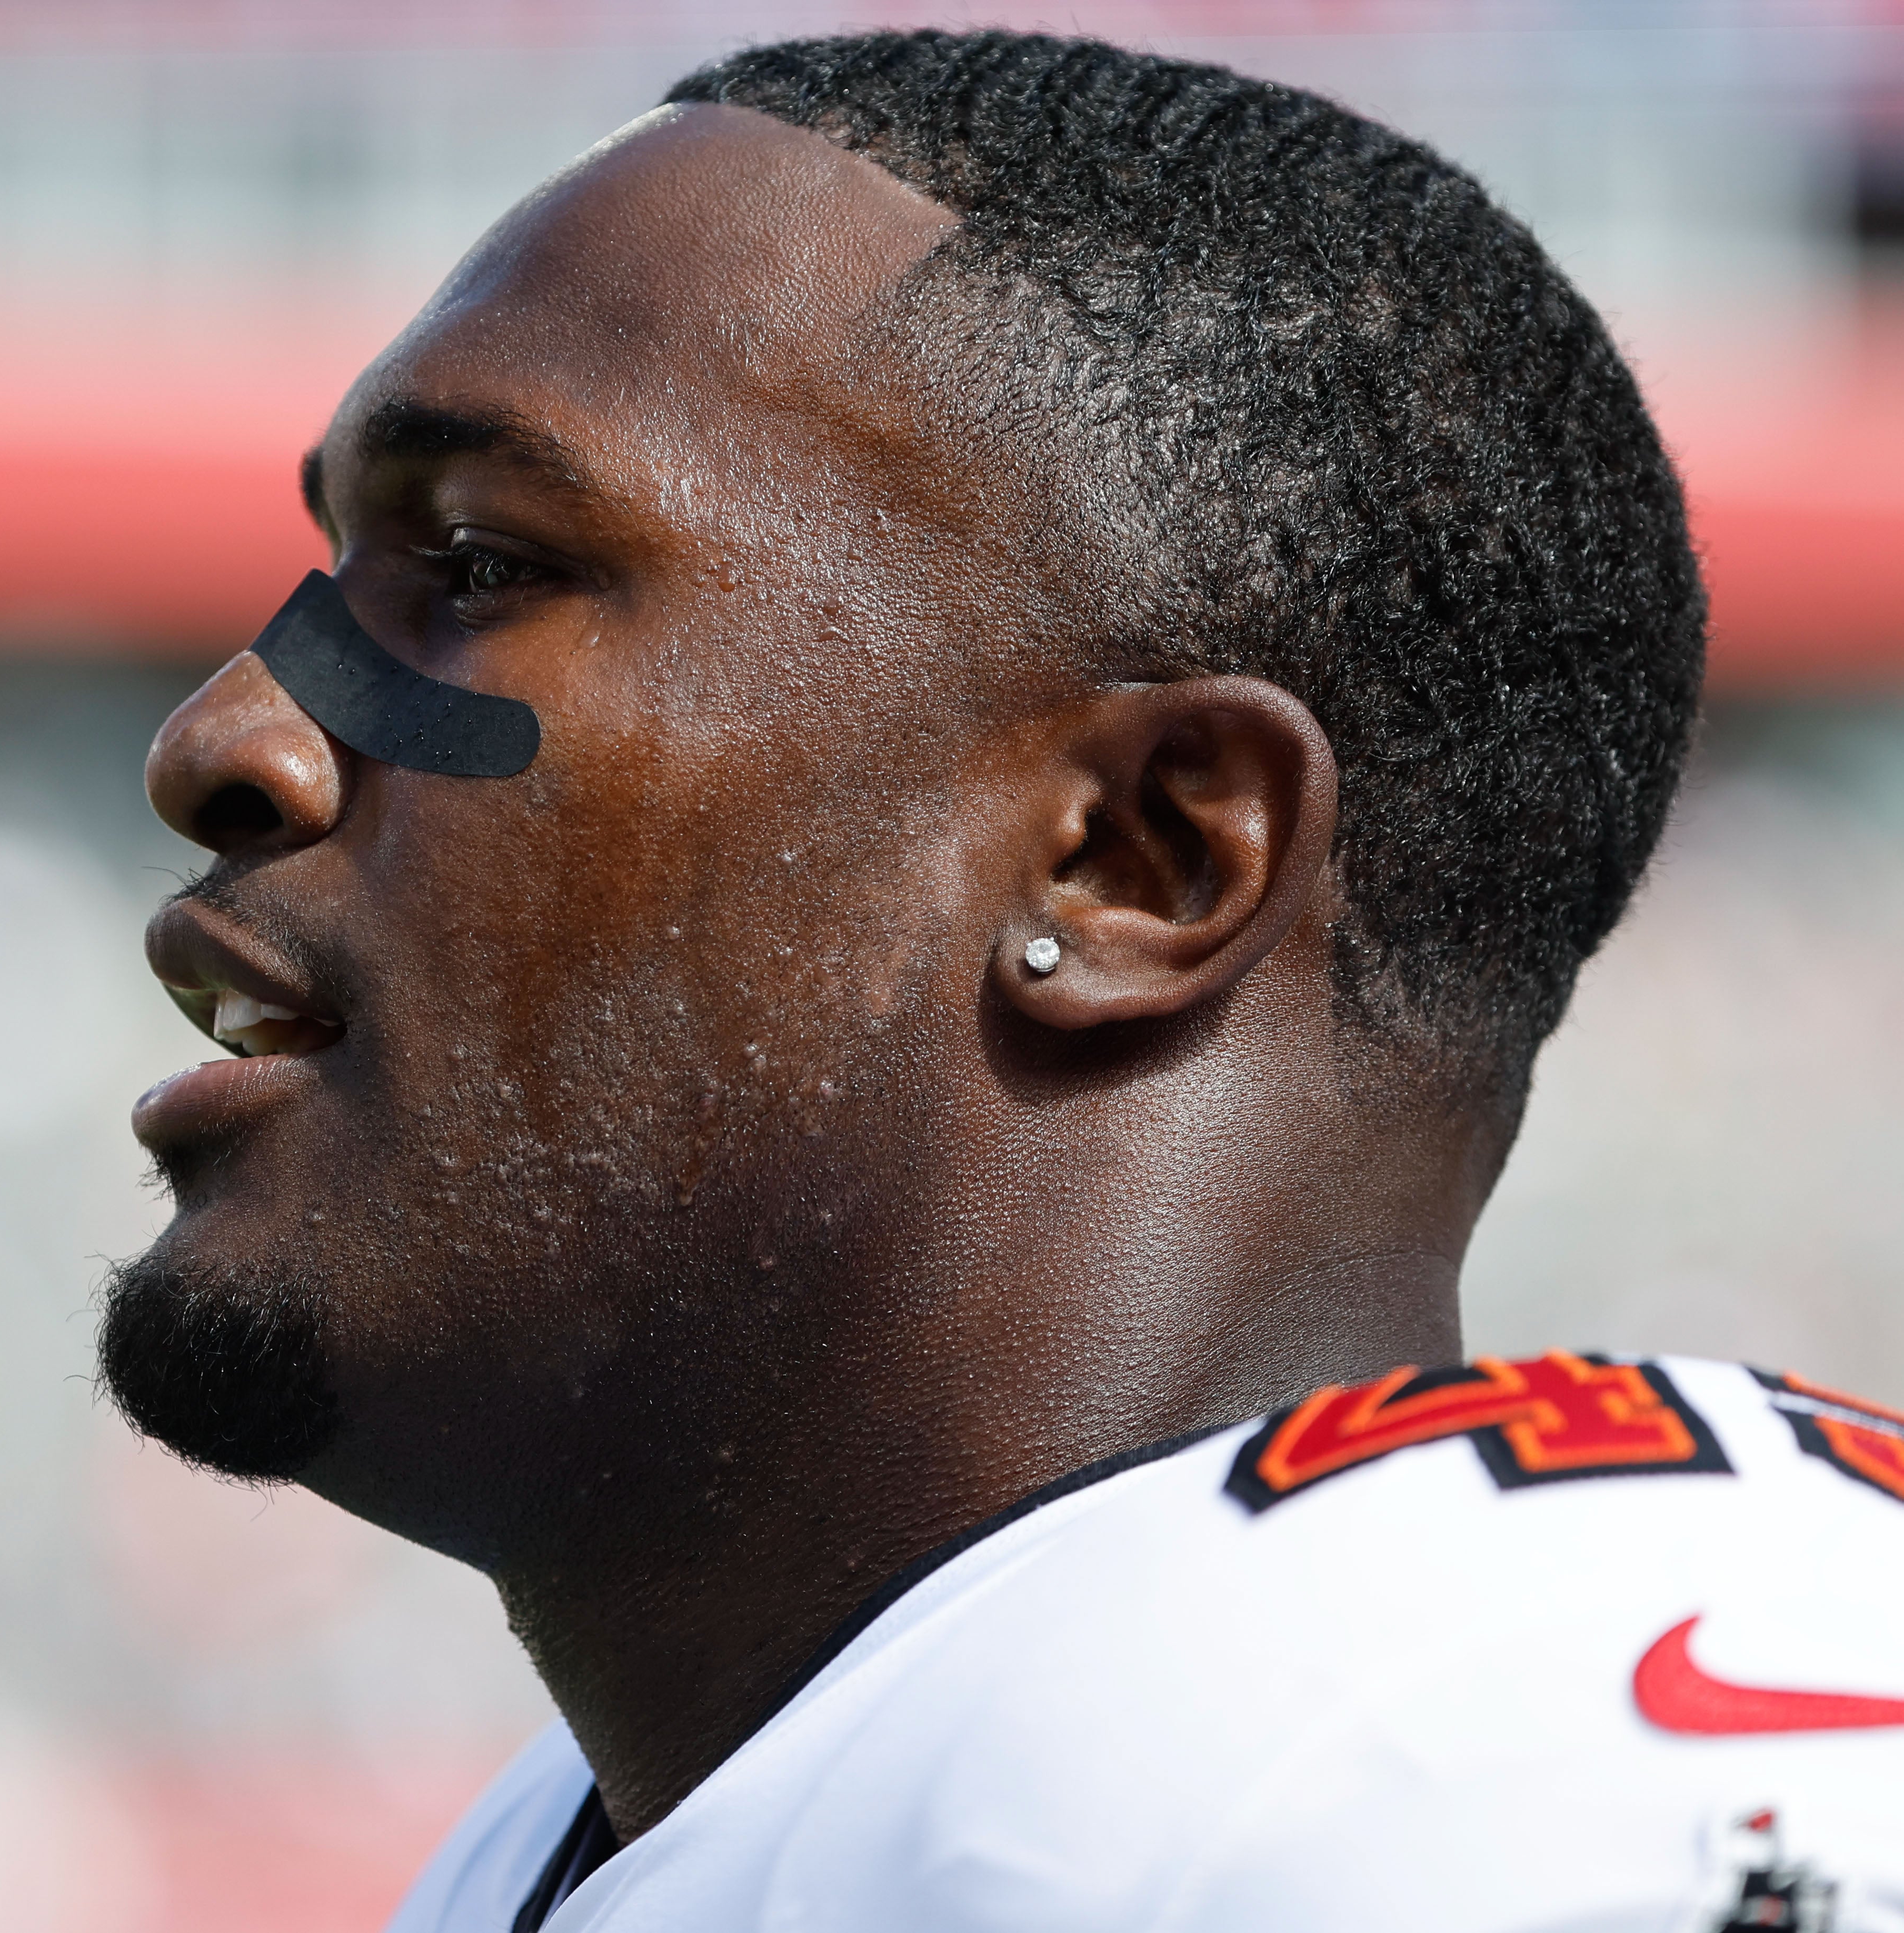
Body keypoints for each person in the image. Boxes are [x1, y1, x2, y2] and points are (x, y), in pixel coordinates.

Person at [102, 28, 1904, 1930]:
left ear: (1142, 859)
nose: (229, 739)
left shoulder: (1491, 1779)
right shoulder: (679, 1819)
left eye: (474, 567)